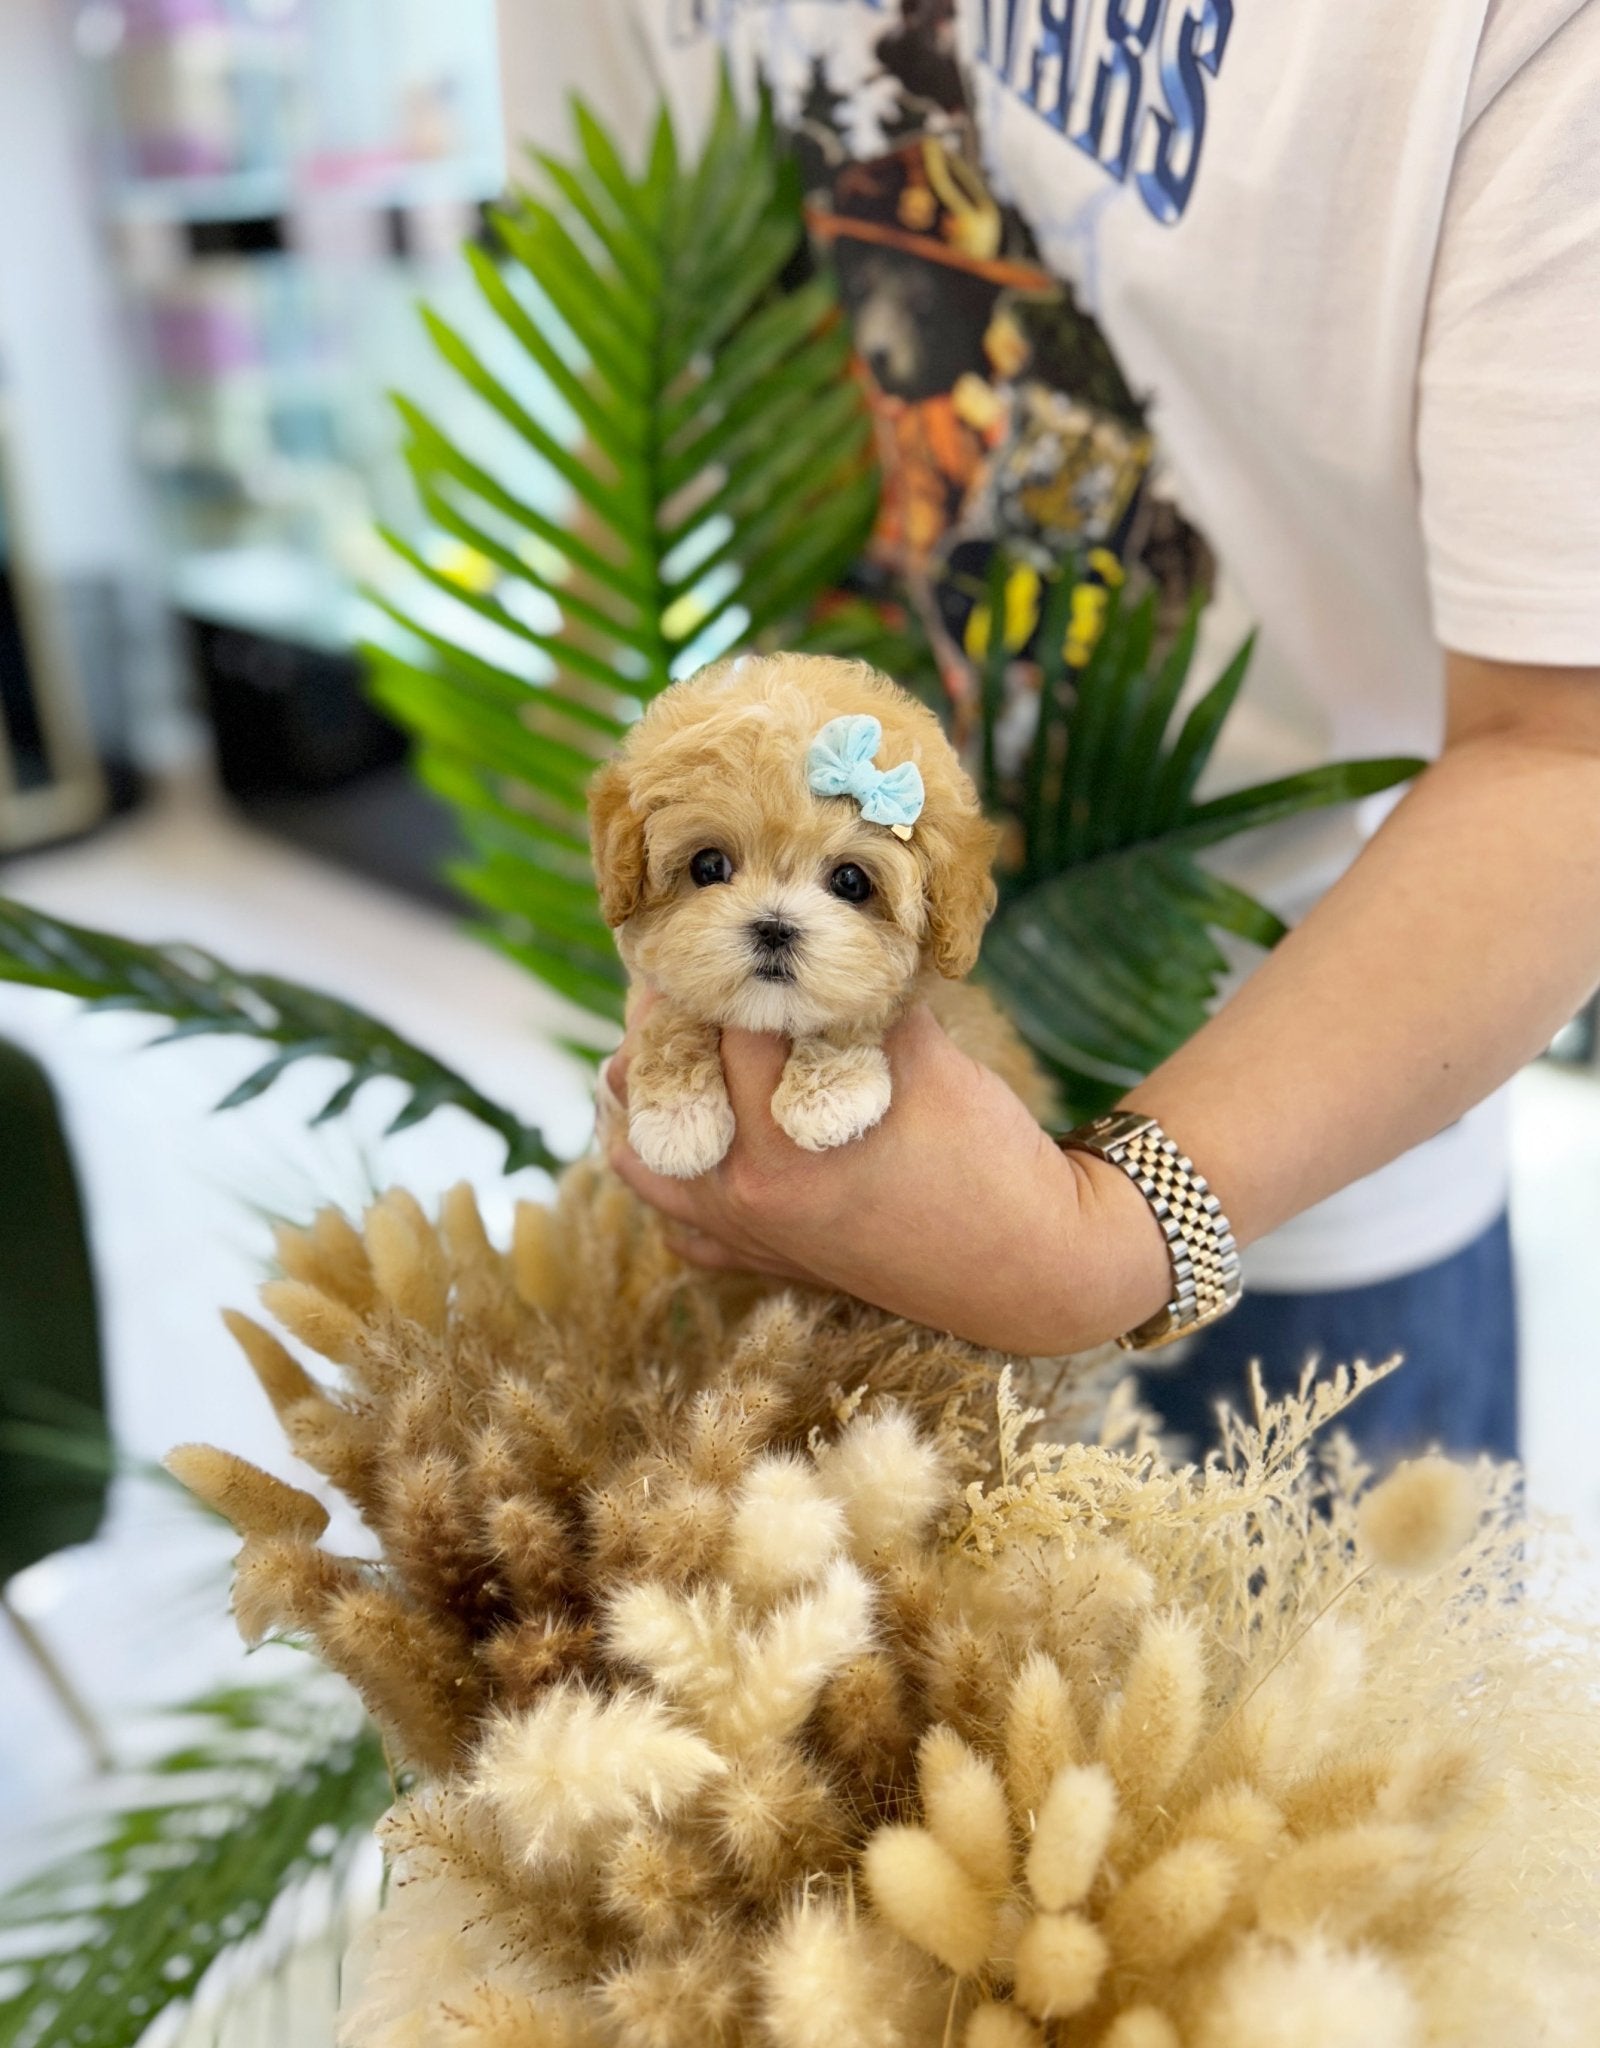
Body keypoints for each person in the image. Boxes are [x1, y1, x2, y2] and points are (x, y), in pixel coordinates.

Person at [541, 0, 1600, 1462]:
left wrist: (1108, 1240)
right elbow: (628, 386)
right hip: (751, 1158)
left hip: (1303, 1166)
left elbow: (1571, 748)